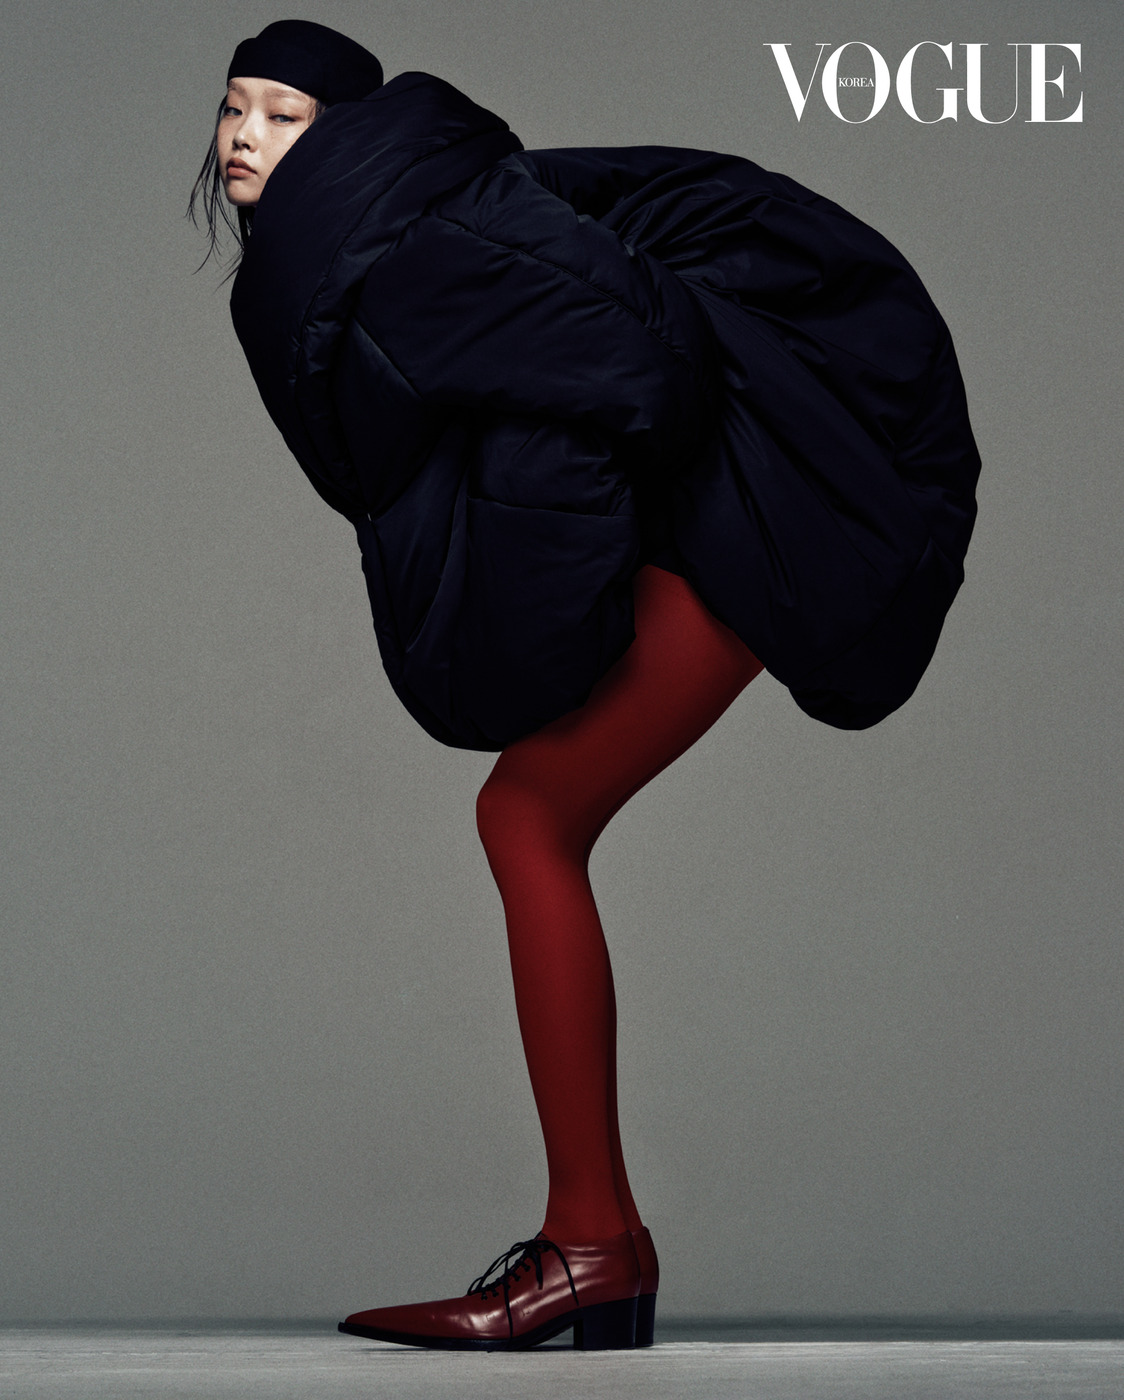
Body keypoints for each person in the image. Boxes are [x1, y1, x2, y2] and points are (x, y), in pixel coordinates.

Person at [190, 19, 980, 1352]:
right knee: (528, 819)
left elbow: (642, 354)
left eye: (285, 114)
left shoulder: (408, 240)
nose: (245, 136)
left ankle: (592, 1251)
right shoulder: (354, 253)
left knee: (526, 818)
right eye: (235, 107)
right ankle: (593, 1247)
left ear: (346, 137)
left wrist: (566, 535)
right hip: (711, 514)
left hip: (742, 514)